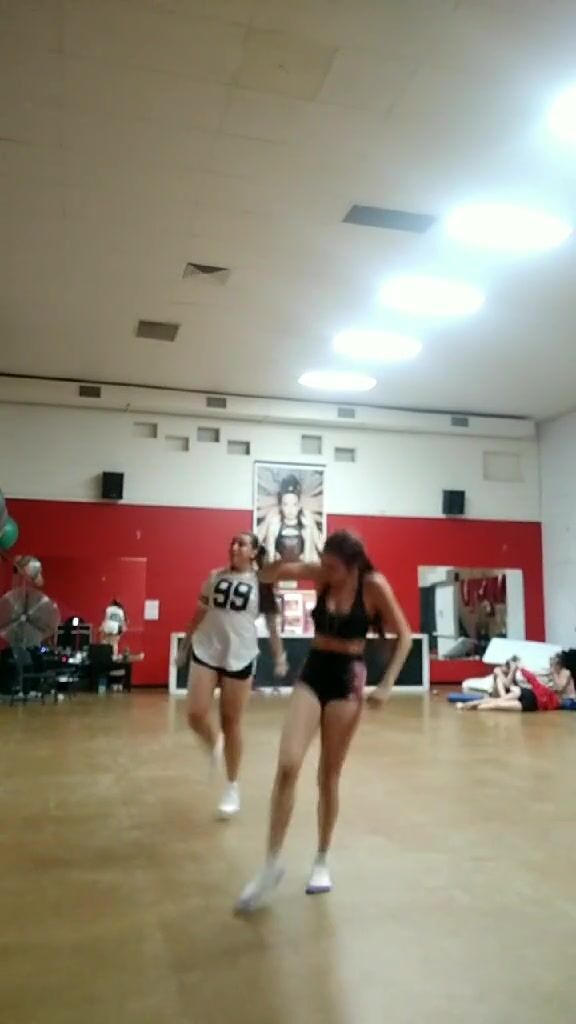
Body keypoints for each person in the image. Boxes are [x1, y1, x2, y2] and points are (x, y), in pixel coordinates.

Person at [236, 529, 412, 912]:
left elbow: (405, 636)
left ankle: (321, 858)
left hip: (348, 677)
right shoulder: (320, 573)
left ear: (352, 565)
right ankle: (270, 864)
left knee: (328, 775)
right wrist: (278, 561)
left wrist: (386, 685)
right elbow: (267, 575)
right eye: (324, 564)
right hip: (314, 670)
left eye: (333, 567)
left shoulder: (373, 585)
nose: (326, 572)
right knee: (287, 765)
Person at [181, 532, 286, 819]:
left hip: (240, 654)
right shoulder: (215, 575)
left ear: (253, 552)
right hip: (207, 649)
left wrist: (279, 656)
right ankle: (214, 742)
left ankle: (231, 786)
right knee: (195, 714)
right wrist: (185, 644)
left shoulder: (262, 583)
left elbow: (272, 624)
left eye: (242, 543)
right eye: (232, 543)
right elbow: (200, 612)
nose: (234, 547)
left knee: (231, 721)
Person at [259, 474, 322, 563]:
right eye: (285, 504)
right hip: (279, 566)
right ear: (281, 505)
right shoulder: (274, 517)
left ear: (299, 505)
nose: (290, 510)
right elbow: (257, 540)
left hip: (302, 565)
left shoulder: (306, 517)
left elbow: (319, 544)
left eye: (294, 504)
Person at [456, 661, 561, 712]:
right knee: (497, 703)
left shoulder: (549, 696)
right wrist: (519, 669)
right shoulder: (545, 692)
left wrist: (518, 669)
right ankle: (466, 706)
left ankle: (466, 706)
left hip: (527, 701)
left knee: (496, 704)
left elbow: (532, 680)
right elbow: (532, 679)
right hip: (527, 697)